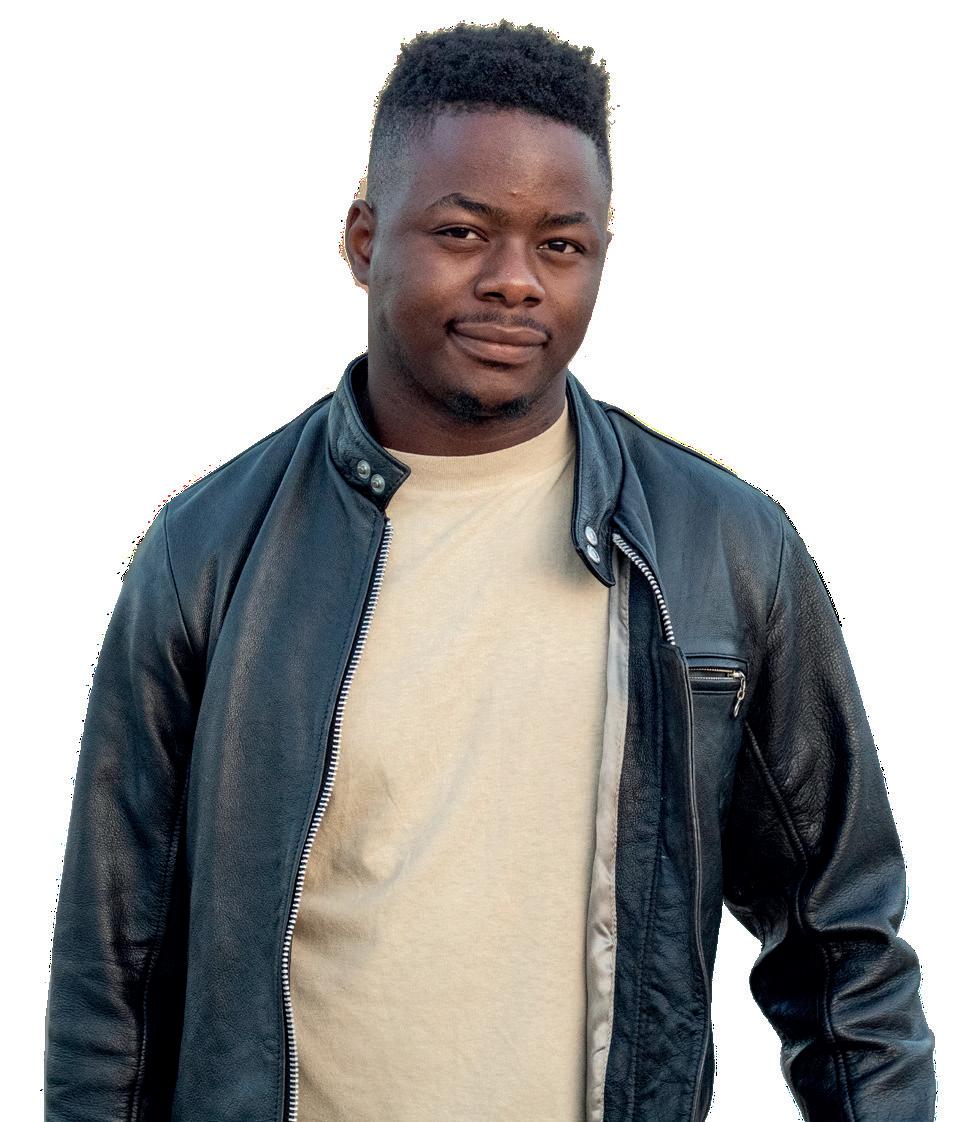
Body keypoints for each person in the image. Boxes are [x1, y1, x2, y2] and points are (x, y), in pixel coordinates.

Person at [44, 18, 936, 1122]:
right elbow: (111, 974)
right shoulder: (210, 551)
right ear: (363, 241)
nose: (515, 282)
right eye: (463, 232)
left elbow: (843, 949)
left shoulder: (723, 549)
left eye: (560, 246)